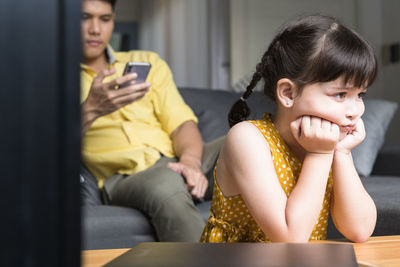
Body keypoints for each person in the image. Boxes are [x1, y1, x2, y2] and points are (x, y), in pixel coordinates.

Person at [200, 15, 377, 243]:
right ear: (288, 93)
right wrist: (319, 155)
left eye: (360, 95)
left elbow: (359, 230)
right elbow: (290, 239)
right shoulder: (247, 138)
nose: (356, 110)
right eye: (341, 95)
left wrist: (341, 153)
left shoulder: (325, 142)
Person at [80, 0, 223, 242]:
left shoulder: (146, 61)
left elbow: (182, 124)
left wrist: (191, 163)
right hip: (126, 177)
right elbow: (48, 147)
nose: (95, 29)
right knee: (164, 183)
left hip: (177, 160)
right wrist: (91, 109)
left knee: (249, 138)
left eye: (105, 19)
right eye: (84, 17)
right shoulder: (52, 74)